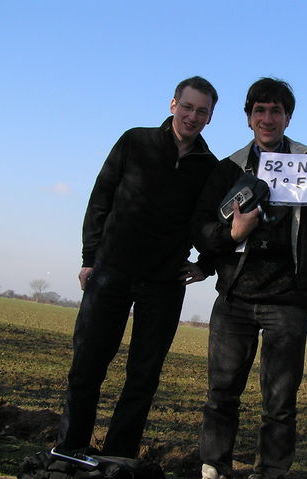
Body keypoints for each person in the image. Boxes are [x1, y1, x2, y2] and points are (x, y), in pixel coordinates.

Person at [54, 76, 219, 460]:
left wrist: (206, 265)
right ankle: (69, 452)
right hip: (111, 271)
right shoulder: (135, 141)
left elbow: (211, 220)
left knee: (143, 378)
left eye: (202, 111)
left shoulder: (210, 167)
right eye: (188, 107)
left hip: (164, 281)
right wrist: (89, 258)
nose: (192, 116)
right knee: (86, 368)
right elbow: (101, 198)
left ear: (210, 118)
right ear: (172, 104)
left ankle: (117, 458)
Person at [193, 77, 307, 479]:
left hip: (289, 297)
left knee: (279, 398)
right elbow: (200, 228)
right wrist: (231, 234)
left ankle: (272, 471)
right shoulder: (227, 169)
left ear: (288, 117)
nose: (267, 118)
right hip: (236, 296)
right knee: (222, 391)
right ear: (248, 118)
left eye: (275, 111)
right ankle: (214, 467)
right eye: (259, 110)